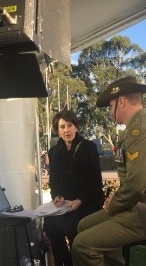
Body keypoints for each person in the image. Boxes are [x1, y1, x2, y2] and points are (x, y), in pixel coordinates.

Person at [71, 76, 146, 266]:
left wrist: (113, 204)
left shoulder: (140, 130)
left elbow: (134, 186)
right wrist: (115, 200)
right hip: (141, 203)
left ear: (122, 101)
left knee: (83, 245)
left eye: (111, 106)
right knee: (84, 225)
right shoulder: (138, 126)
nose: (110, 112)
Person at [43, 109, 105, 266]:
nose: (66, 130)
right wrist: (56, 197)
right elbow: (54, 181)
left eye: (69, 125)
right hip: (65, 204)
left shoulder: (89, 148)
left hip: (88, 202)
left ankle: (76, 260)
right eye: (62, 127)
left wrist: (80, 200)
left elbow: (95, 182)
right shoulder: (54, 152)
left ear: (76, 127)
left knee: (71, 226)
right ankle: (64, 261)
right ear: (57, 130)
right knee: (49, 224)